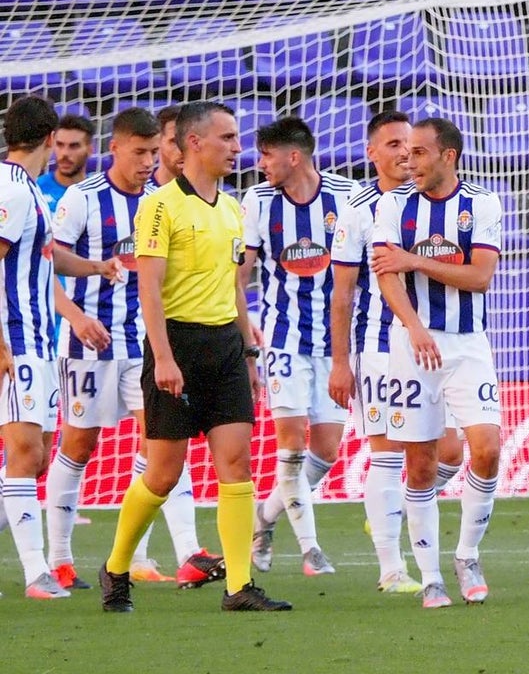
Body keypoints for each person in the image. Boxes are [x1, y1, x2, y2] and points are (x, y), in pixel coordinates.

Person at [98, 101, 291, 613]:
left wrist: (248, 353)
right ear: (194, 145)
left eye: (236, 137)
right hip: (177, 347)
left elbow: (234, 289)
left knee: (237, 464)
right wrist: (162, 358)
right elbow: (150, 289)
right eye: (227, 137)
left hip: (225, 348)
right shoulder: (160, 206)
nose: (237, 146)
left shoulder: (232, 210)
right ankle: (116, 568)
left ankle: (238, 587)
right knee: (162, 473)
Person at [47, 106, 225, 591]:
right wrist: (77, 316)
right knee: (79, 445)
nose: (148, 161)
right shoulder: (82, 199)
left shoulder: (161, 201)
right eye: (140, 151)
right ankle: (60, 558)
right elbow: (49, 270)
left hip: (147, 346)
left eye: (153, 152)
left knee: (166, 438)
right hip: (90, 345)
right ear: (115, 148)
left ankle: (188, 551)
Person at [329, 110, 463, 594]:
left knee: (449, 451)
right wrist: (340, 361)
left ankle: (395, 511)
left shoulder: (429, 205)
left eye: (409, 145)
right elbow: (342, 293)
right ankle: (391, 566)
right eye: (392, 145)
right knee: (387, 451)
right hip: (379, 347)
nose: (404, 153)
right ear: (372, 153)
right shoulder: (359, 210)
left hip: (433, 345)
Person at [371, 117, 503, 609]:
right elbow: (387, 275)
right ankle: (431, 577)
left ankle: (467, 554)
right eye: (405, 153)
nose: (409, 161)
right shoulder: (392, 204)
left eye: (420, 153)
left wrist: (417, 261)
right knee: (421, 462)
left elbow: (481, 277)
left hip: (468, 344)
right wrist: (415, 326)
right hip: (411, 344)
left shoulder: (482, 203)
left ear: (448, 156)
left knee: (486, 448)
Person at [1, 95, 122, 599]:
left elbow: (45, 263)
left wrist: (96, 267)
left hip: (37, 339)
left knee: (37, 455)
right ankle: (36, 573)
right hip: (16, 339)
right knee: (25, 453)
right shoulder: (10, 188)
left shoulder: (30, 190)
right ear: (50, 139)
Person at [239, 116, 357, 577]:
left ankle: (264, 518)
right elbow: (242, 274)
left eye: (267, 155)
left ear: (294, 156)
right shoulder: (258, 200)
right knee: (291, 445)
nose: (260, 163)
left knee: (325, 450)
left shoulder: (346, 196)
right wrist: (246, 340)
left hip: (335, 342)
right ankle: (311, 550)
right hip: (283, 338)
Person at [37, 113, 96, 214]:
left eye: (74, 146)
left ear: (90, 150)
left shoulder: (97, 192)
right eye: (60, 145)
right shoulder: (37, 188)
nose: (65, 153)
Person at [151, 104, 184, 188]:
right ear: (158, 143)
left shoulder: (210, 196)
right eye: (175, 141)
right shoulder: (141, 196)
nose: (183, 150)